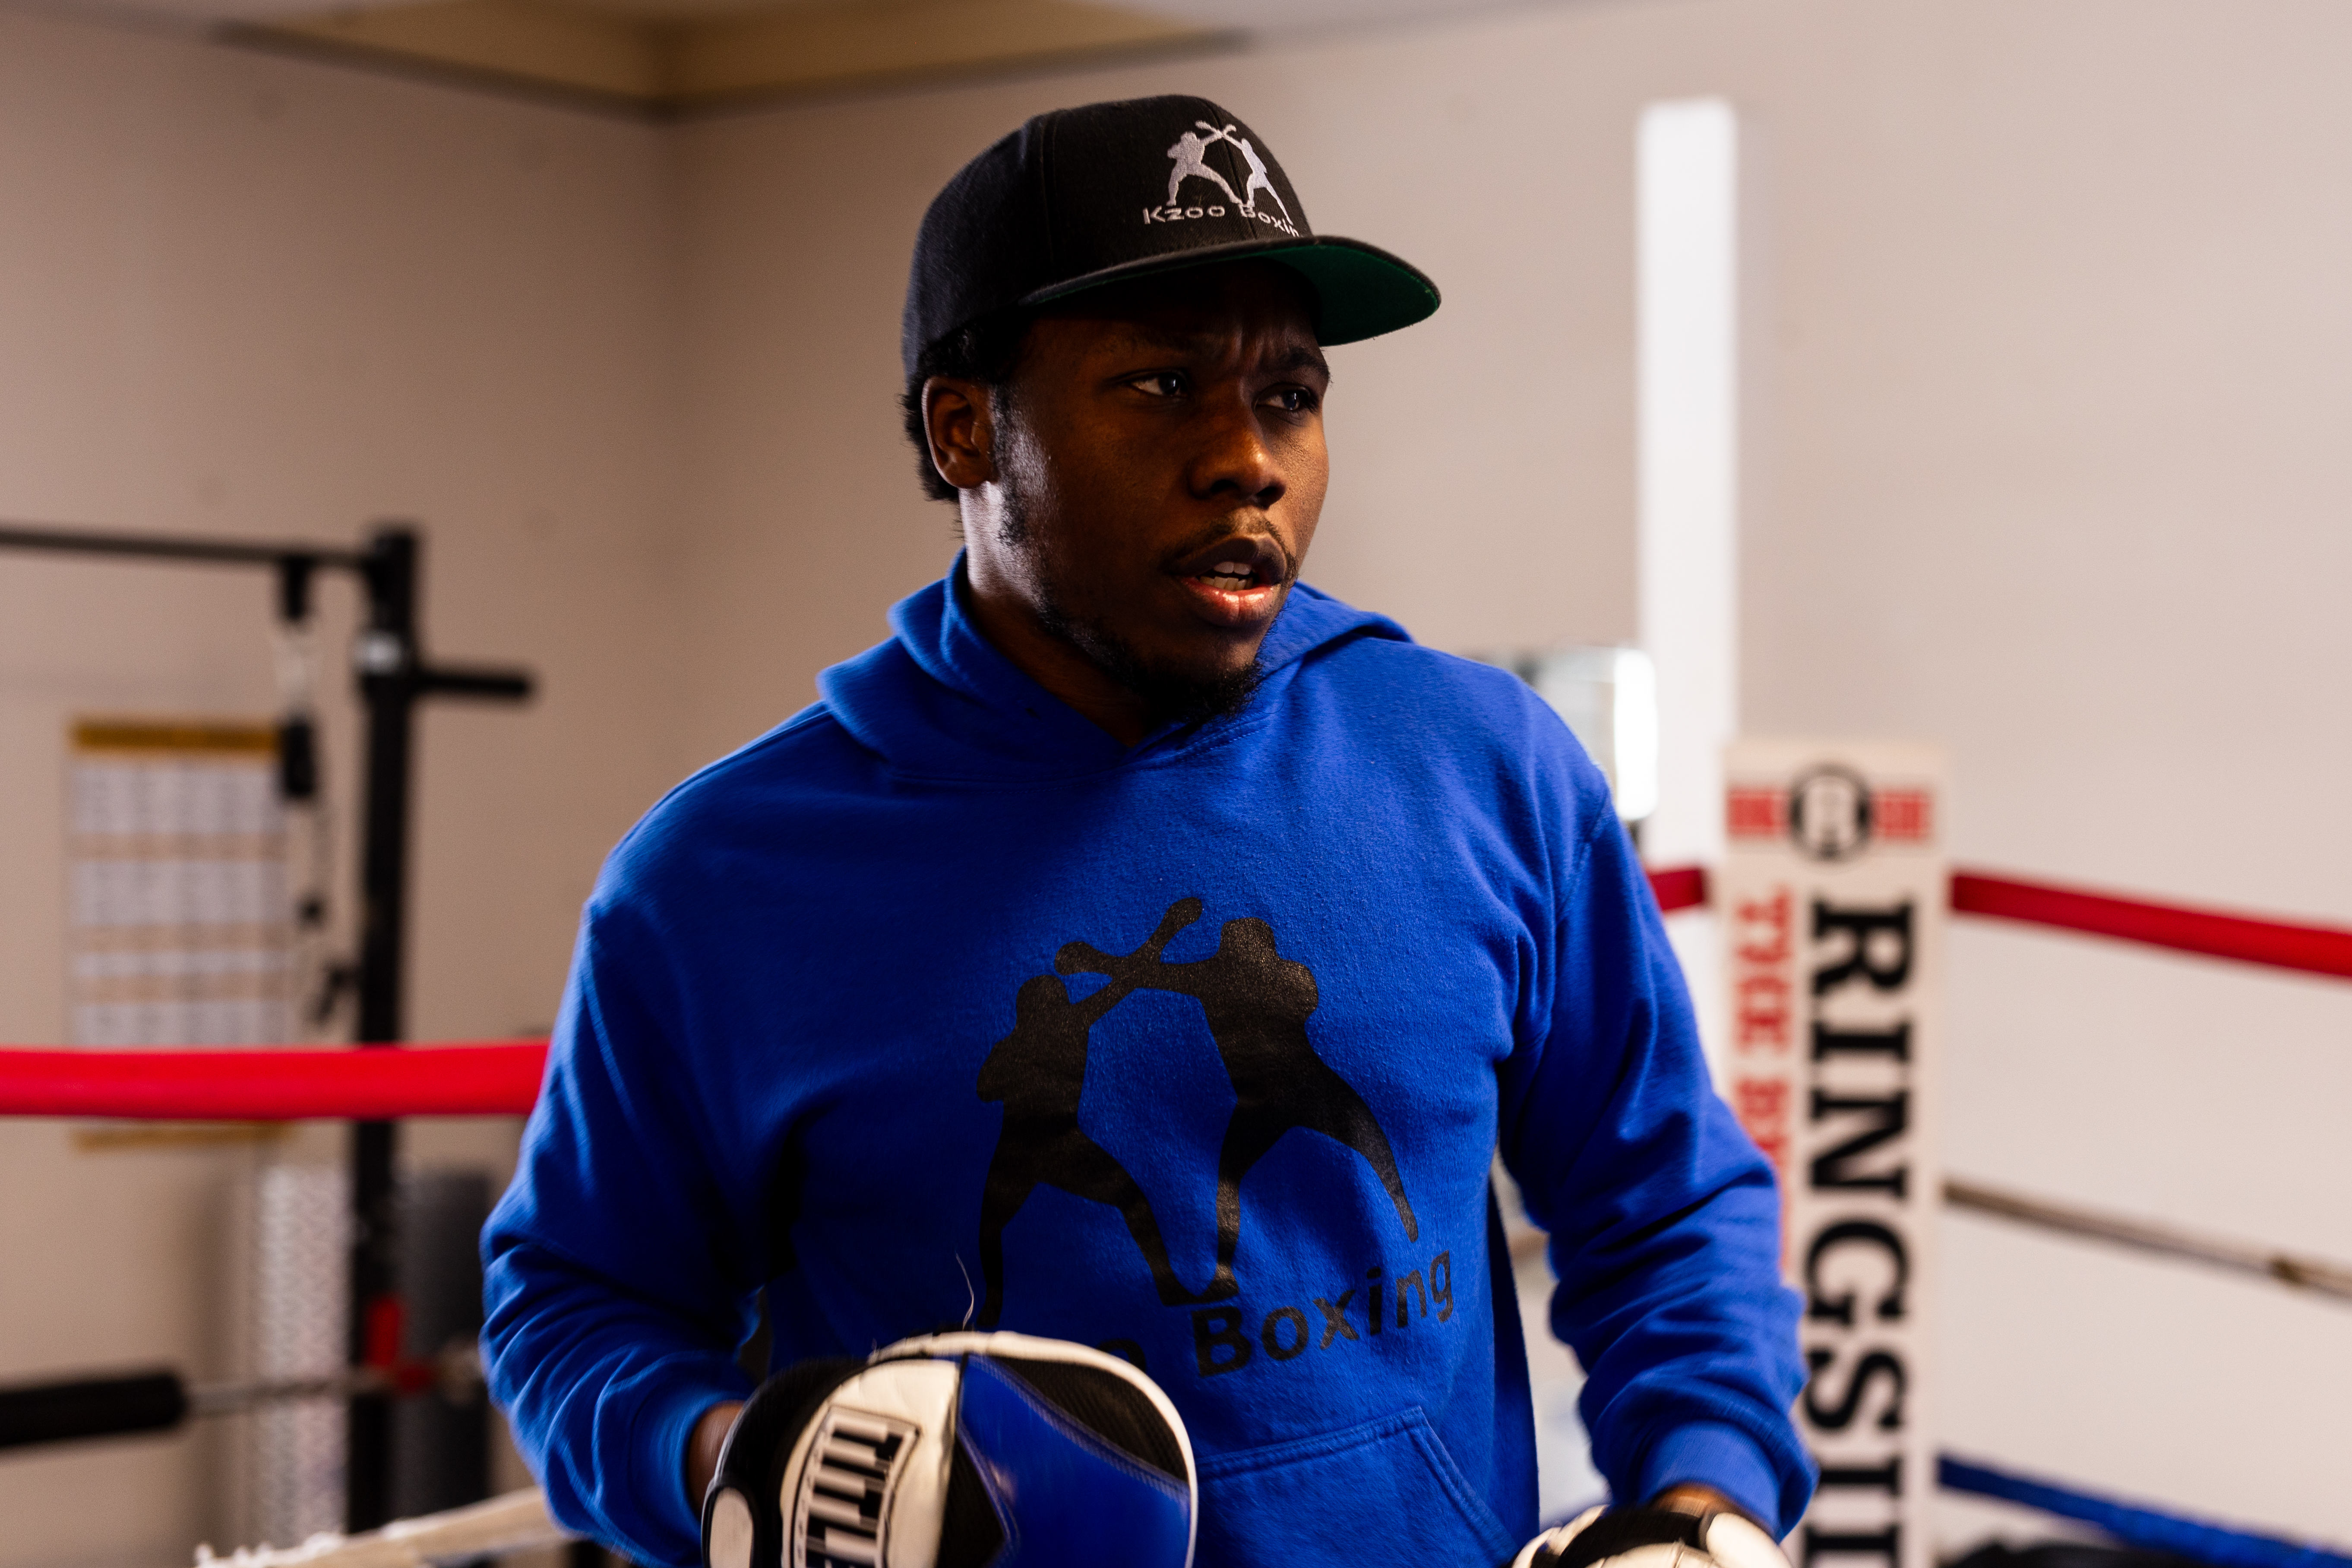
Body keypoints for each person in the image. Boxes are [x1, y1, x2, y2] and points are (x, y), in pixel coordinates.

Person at [483, 94, 1813, 1568]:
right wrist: (745, 1466)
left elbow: (1668, 1202)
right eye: (1165, 385)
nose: (1249, 457)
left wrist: (1703, 1513)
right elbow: (575, 1307)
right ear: (968, 429)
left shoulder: (1483, 767)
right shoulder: (722, 883)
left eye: (1289, 395)